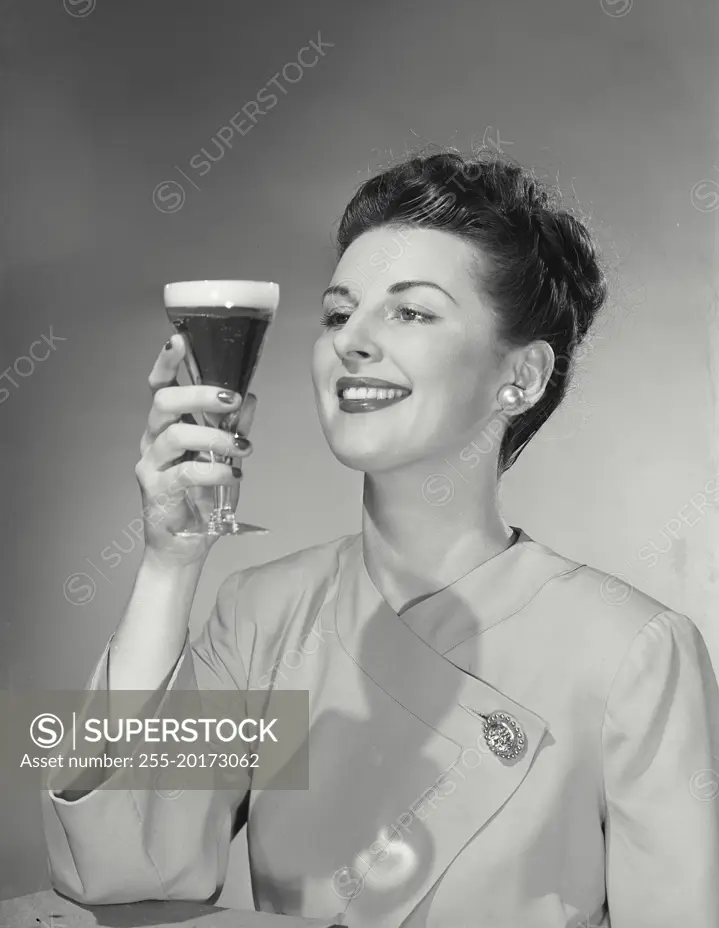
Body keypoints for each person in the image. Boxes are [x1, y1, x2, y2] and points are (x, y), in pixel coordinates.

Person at [42, 151, 719, 927]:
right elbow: (117, 869)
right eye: (338, 313)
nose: (351, 342)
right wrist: (169, 561)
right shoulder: (261, 613)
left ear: (523, 377)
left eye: (411, 312)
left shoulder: (636, 652)